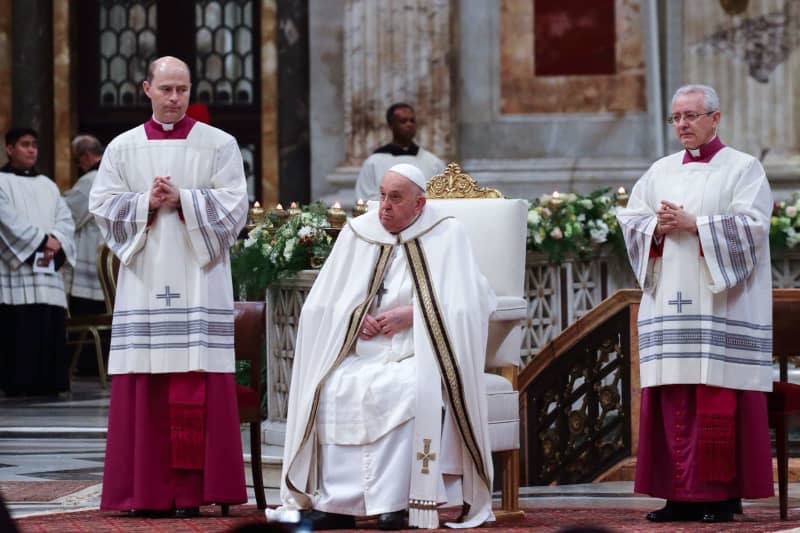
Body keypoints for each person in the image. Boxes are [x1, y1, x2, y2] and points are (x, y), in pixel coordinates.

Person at [276, 163, 496, 530]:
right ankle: (338, 504)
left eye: (396, 198)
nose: (384, 207)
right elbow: (323, 302)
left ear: (419, 203)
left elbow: (474, 301)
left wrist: (414, 315)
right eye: (381, 195)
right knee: (333, 386)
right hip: (364, 352)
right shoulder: (360, 233)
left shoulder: (447, 233)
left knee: (409, 389)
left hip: (418, 353)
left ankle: (398, 503)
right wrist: (351, 317)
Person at [90, 56, 248, 517]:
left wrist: (185, 200)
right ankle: (146, 492)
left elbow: (235, 205)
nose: (175, 98)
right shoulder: (122, 148)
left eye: (182, 89)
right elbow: (102, 207)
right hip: (146, 277)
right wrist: (145, 202)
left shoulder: (219, 144)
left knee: (195, 378)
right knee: (147, 383)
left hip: (200, 278)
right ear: (147, 89)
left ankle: (195, 493)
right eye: (166, 90)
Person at [617, 84, 774, 523]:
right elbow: (632, 220)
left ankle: (722, 498)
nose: (682, 125)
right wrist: (656, 229)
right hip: (670, 305)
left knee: (715, 397)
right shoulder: (660, 170)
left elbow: (754, 226)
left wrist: (694, 223)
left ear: (715, 117)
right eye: (676, 118)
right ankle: (676, 496)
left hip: (721, 307)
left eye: (691, 116)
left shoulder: (743, 168)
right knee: (672, 398)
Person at [0, 127, 76, 396]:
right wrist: (42, 243)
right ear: (9, 149)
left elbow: (65, 219)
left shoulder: (48, 185)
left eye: (34, 144)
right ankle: (19, 383)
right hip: (18, 270)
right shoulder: (1, 182)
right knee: (20, 327)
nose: (32, 149)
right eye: (24, 144)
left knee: (48, 323)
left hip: (47, 267)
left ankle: (50, 382)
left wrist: (57, 241)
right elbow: (7, 221)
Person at [63, 135, 107, 375]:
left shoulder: (91, 181)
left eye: (78, 161)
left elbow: (67, 215)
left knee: (87, 315)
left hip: (91, 259)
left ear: (86, 157)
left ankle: (87, 365)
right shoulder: (113, 177)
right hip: (110, 263)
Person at [354, 103, 445, 201]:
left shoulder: (433, 162)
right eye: (403, 121)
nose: (409, 124)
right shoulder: (374, 162)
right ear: (391, 126)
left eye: (412, 121)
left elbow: (442, 197)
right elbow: (365, 199)